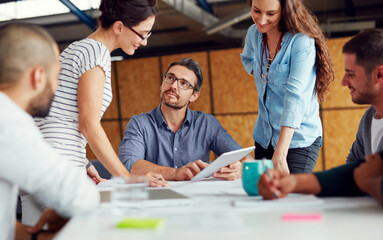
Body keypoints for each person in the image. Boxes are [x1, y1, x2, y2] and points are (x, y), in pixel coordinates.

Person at [21, 0, 167, 228]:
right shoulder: (96, 52)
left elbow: (55, 115)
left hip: (41, 164)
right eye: (142, 34)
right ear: (119, 27)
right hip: (59, 169)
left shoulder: (77, 48)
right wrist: (127, 177)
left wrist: (84, 162)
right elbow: (88, 124)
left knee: (36, 234)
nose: (144, 42)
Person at [258, 29, 383, 204]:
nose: (343, 81)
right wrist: (291, 183)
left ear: (380, 74)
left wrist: (369, 182)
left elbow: (361, 177)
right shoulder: (370, 118)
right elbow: (352, 171)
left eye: (351, 74)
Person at [0, 23, 99, 240]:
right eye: (57, 76)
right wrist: (61, 208)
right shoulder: (9, 124)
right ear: (38, 77)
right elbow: (82, 197)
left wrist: (35, 236)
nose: (57, 87)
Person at [240, 0, 335, 174]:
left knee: (292, 198)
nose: (261, 20)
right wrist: (263, 75)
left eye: (270, 14)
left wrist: (281, 152)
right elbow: (247, 58)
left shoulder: (301, 42)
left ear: (285, 11)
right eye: (256, 11)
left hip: (297, 140)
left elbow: (295, 97)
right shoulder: (253, 33)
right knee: (265, 196)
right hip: (264, 136)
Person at [118, 58, 250, 181]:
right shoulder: (140, 124)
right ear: (162, 84)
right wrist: (175, 173)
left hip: (197, 200)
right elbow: (129, 163)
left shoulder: (207, 123)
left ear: (194, 96)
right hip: (155, 198)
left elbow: (246, 159)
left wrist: (240, 170)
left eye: (183, 83)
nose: (174, 86)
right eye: (170, 78)